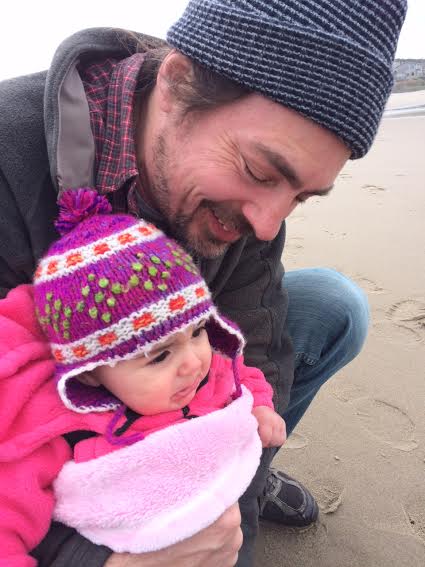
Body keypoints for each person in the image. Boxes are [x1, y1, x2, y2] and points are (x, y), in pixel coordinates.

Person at [0, 1, 407, 566]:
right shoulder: (9, 159)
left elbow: (258, 347)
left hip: (189, 404)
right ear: (176, 82)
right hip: (62, 456)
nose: (268, 225)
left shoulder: (252, 213)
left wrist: (229, 489)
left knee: (333, 306)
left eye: (301, 197)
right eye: (261, 172)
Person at [0, 188, 285, 566]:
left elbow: (241, 375)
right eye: (160, 355)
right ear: (90, 375)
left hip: (225, 500)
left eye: (198, 331)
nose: (193, 362)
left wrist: (261, 406)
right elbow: (8, 518)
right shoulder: (62, 432)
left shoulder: (203, 369)